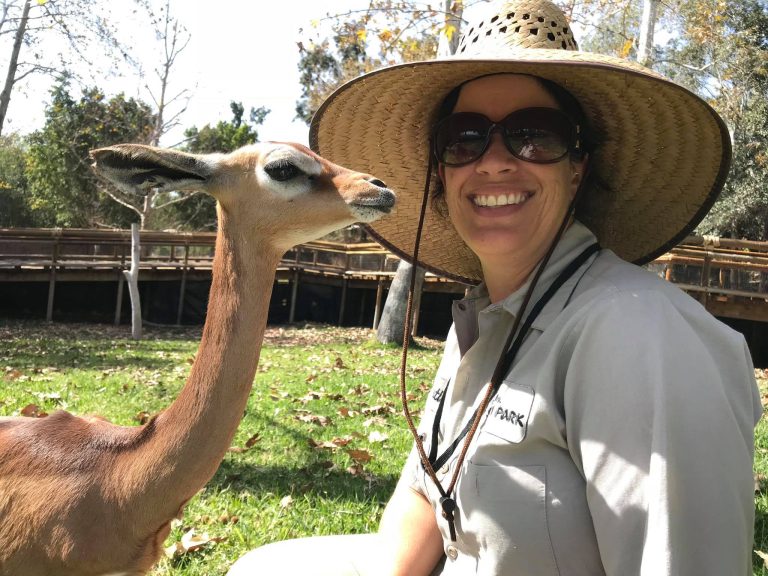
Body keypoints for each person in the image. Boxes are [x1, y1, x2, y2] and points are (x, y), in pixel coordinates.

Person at [228, 1, 762, 574]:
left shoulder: (637, 334)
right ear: (443, 171)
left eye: (536, 136)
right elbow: (406, 549)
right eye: (465, 138)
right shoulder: (481, 325)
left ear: (577, 167)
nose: (495, 162)